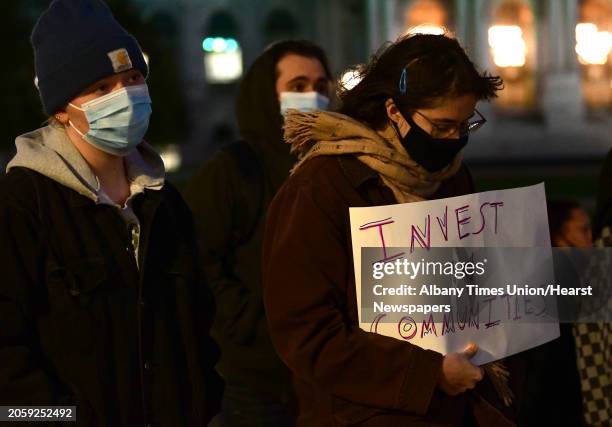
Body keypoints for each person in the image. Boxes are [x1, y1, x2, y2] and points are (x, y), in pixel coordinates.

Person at [261, 33, 524, 426]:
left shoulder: (451, 178)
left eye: (465, 124)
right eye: (441, 127)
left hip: (456, 407)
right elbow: (307, 333)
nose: (455, 140)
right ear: (394, 111)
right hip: (361, 415)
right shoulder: (322, 186)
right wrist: (428, 374)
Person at [0, 1, 222, 425]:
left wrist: (203, 402)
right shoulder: (22, 205)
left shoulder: (164, 202)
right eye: (101, 88)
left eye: (133, 78)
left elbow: (199, 326)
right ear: (62, 109)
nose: (124, 96)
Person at [183, 40, 332, 426]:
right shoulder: (232, 171)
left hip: (329, 374)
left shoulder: (334, 167)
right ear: (269, 93)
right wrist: (251, 324)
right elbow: (196, 261)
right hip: (255, 384)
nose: (312, 97)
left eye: (320, 86)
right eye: (298, 86)